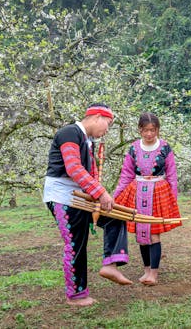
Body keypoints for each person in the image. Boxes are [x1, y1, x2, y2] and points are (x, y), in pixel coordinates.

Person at [42, 103, 132, 307]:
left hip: (81, 196)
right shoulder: (69, 133)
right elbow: (74, 169)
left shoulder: (87, 141)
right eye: (107, 124)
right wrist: (100, 193)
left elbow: (86, 174)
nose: (107, 130)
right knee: (75, 244)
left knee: (115, 217)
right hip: (63, 197)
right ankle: (76, 295)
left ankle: (111, 264)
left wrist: (98, 196)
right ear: (97, 117)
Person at [113, 112, 182, 286]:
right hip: (137, 192)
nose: (149, 134)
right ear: (140, 130)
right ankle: (146, 270)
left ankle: (154, 273)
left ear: (158, 130)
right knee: (141, 233)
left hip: (158, 193)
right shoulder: (134, 148)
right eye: (145, 130)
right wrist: (114, 197)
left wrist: (172, 200)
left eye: (153, 130)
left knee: (154, 233)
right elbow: (126, 174)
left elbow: (172, 175)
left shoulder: (165, 148)